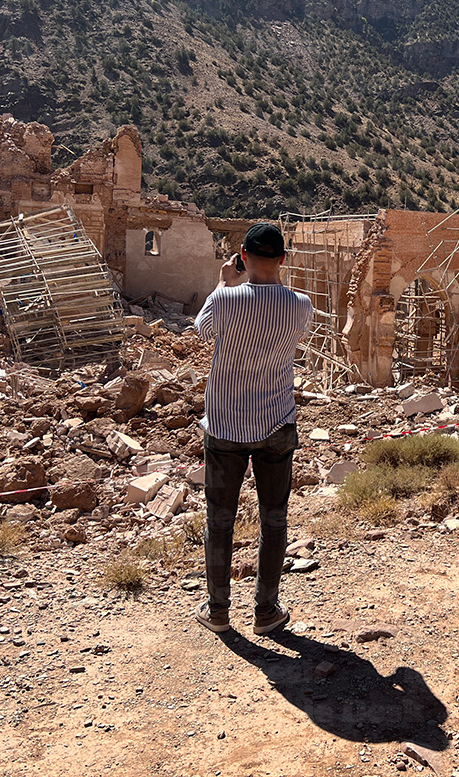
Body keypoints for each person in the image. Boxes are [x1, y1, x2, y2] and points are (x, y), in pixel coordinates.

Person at [193, 223, 313, 634]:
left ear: (242, 256)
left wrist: (224, 283)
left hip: (225, 423)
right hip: (276, 422)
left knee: (220, 520)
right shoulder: (301, 304)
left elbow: (203, 331)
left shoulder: (225, 301)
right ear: (283, 259)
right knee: (274, 519)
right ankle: (266, 610)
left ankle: (218, 611)